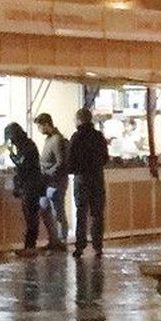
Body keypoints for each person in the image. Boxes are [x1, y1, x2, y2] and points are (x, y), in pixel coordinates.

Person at [68, 107, 109, 258]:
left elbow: (70, 160)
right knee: (97, 213)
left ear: (79, 120)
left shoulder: (76, 137)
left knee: (81, 212)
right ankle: (98, 245)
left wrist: (75, 170)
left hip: (81, 179)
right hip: (97, 178)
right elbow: (105, 158)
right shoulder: (99, 136)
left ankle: (80, 245)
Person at [4, 122, 47, 254]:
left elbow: (21, 163)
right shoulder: (28, 143)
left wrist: (11, 154)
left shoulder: (25, 146)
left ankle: (30, 246)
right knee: (31, 215)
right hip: (33, 184)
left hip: (30, 185)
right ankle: (30, 245)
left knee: (30, 215)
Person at [33, 112, 69, 249]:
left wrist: (48, 173)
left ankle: (61, 240)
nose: (39, 129)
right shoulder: (50, 139)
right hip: (48, 182)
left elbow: (60, 162)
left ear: (46, 124)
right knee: (45, 209)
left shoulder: (56, 140)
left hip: (55, 182)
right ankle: (53, 240)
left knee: (58, 211)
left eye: (39, 126)